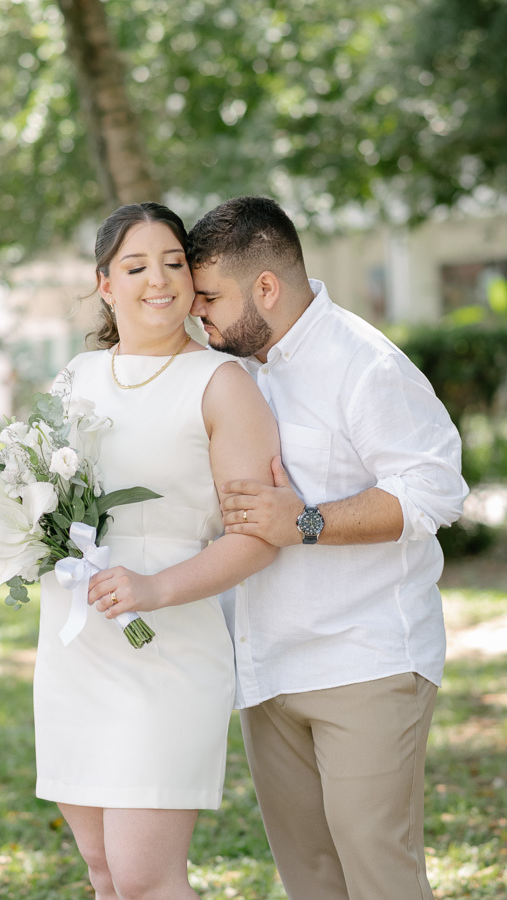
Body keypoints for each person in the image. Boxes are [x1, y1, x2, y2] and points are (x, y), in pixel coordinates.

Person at [185, 195, 469, 900]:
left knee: (379, 874)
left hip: (363, 658)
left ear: (266, 287)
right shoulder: (231, 373)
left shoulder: (364, 363)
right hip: (266, 666)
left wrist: (305, 522)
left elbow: (434, 490)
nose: (198, 313)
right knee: (309, 878)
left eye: (210, 297)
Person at [33, 201, 280, 900]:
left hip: (168, 649)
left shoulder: (222, 384)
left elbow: (259, 539)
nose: (159, 280)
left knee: (145, 878)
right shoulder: (75, 377)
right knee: (104, 871)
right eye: (136, 266)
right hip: (76, 646)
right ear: (105, 284)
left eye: (174, 263)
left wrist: (153, 588)